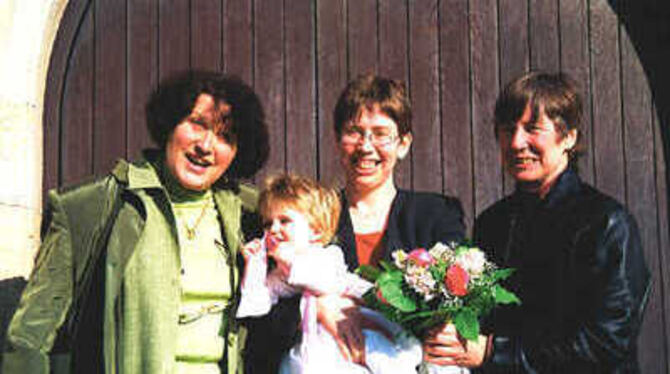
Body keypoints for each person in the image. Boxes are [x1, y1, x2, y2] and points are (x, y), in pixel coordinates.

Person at [2, 70, 269, 373]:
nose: (206, 146)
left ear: (237, 152)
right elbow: (29, 338)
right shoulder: (87, 208)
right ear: (170, 124)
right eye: (198, 124)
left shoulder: (254, 215)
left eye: (225, 136)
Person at [431, 72, 651, 372]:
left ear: (569, 137)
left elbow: (607, 342)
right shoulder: (493, 223)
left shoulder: (606, 224)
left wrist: (494, 351)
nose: (517, 143)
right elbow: (482, 319)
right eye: (508, 129)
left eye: (533, 129)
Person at [236, 173, 422, 374]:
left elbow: (324, 283)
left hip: (357, 327)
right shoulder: (279, 274)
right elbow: (255, 304)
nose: (273, 229)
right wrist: (255, 266)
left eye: (284, 221)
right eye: (267, 223)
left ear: (315, 231)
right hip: (315, 347)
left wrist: (286, 260)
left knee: (382, 358)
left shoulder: (327, 256)